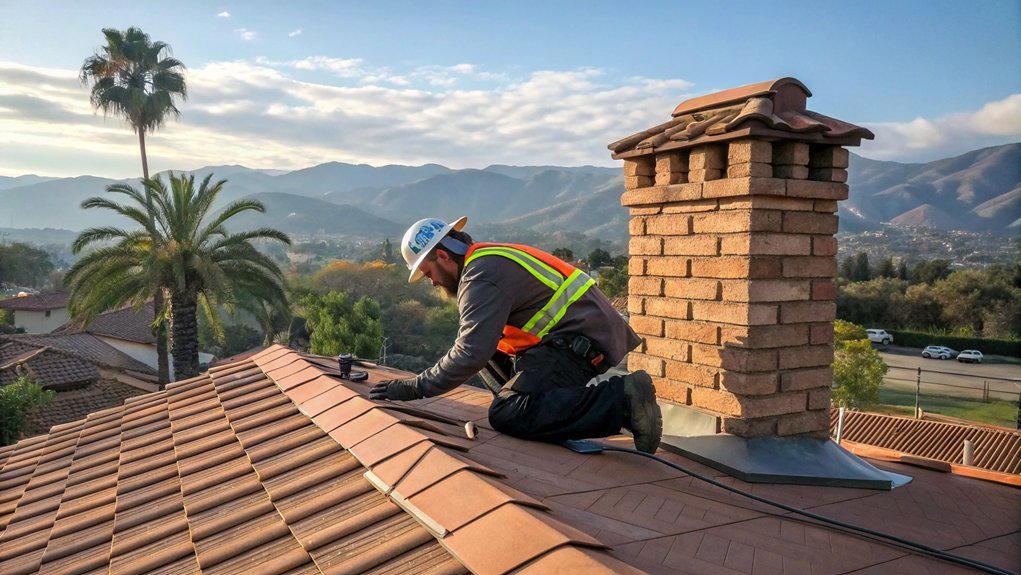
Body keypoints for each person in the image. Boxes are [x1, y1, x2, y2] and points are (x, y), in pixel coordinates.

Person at [369, 216, 663, 453]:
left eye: (428, 272)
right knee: (486, 350)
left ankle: (623, 399)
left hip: (579, 344)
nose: (431, 282)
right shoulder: (486, 260)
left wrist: (414, 388)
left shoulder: (481, 277)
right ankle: (530, 404)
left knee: (507, 414)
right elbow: (478, 345)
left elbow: (470, 353)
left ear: (443, 256)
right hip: (569, 339)